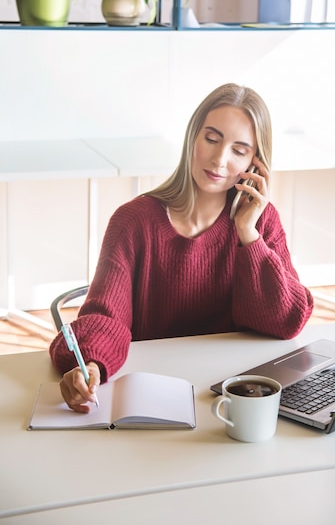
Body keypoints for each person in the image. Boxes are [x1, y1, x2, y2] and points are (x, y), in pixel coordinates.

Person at [50, 83, 314, 412]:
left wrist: (248, 235)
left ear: (255, 163)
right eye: (212, 139)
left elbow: (287, 320)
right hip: (150, 397)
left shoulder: (260, 220)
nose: (219, 159)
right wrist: (91, 365)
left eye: (239, 150)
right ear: (193, 137)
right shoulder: (133, 222)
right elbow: (107, 316)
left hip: (228, 397)